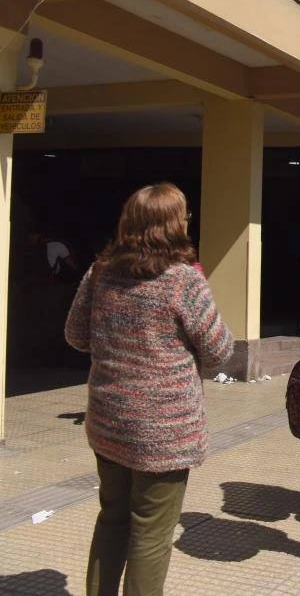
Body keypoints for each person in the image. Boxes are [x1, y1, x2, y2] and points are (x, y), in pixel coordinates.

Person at [64, 183, 234, 596]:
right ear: (174, 225)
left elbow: (74, 335)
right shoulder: (183, 281)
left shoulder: (99, 272)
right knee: (151, 534)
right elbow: (220, 352)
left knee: (112, 519)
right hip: (166, 431)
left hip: (108, 422)